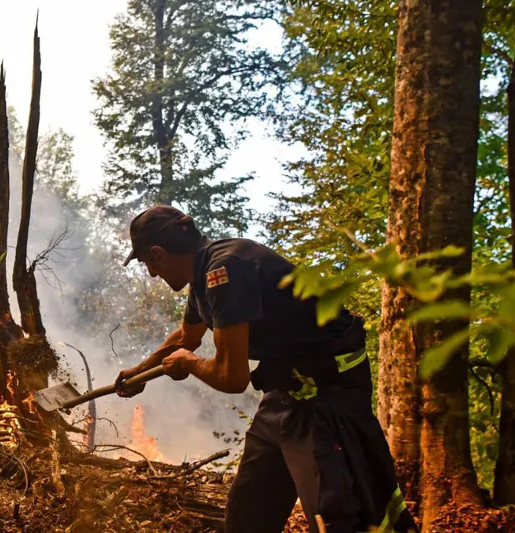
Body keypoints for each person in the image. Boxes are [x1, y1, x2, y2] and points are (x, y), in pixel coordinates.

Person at [115, 205, 418, 533]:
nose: (151, 274)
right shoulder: (203, 279)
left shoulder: (225, 270)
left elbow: (232, 377)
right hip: (287, 388)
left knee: (337, 515)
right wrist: (141, 371)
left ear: (159, 254)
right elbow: (186, 337)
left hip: (329, 392)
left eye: (147, 263)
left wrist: (189, 364)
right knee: (249, 511)